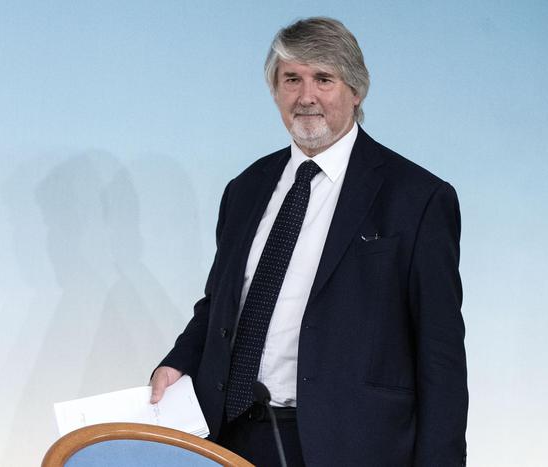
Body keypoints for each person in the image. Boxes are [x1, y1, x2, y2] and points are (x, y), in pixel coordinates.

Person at [150, 17, 468, 466]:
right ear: (275, 90)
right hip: (231, 435)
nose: (306, 96)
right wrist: (177, 361)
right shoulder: (245, 189)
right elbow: (218, 305)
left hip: (351, 446)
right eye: (291, 79)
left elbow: (441, 355)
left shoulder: (417, 198)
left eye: (323, 78)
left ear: (356, 91)